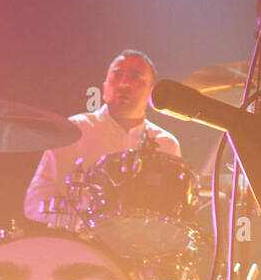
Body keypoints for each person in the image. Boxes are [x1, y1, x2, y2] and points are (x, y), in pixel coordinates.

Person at [24, 50, 182, 224]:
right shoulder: (74, 130)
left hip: (139, 248)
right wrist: (90, 220)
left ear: (151, 92)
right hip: (80, 246)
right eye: (117, 75)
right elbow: (34, 205)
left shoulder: (166, 144)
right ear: (105, 88)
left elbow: (170, 215)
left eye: (135, 77)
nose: (124, 84)